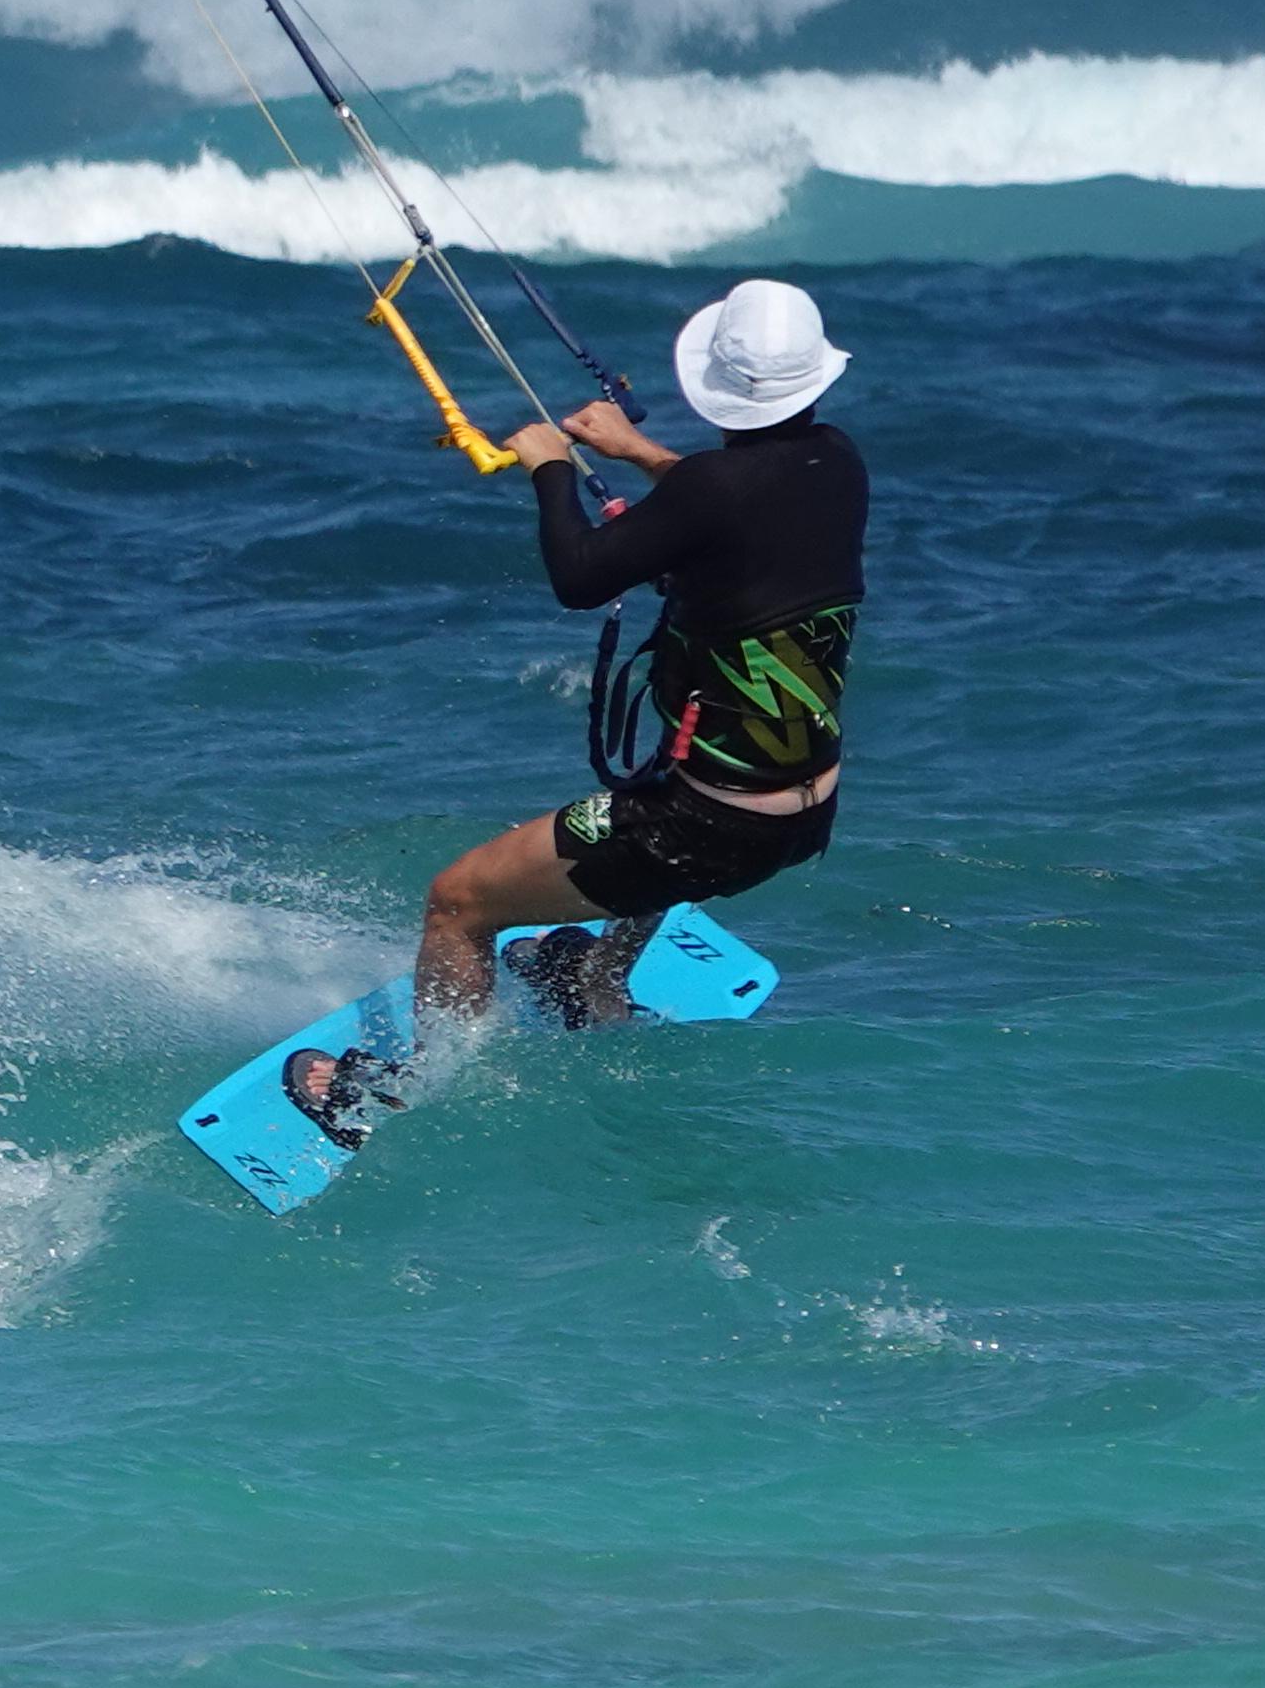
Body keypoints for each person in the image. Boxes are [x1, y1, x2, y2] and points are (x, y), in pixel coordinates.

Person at [289, 278, 868, 1140]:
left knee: (457, 902)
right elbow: (727, 503)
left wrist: (549, 467)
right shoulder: (837, 464)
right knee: (674, 786)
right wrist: (638, 451)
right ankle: (595, 982)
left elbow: (582, 577)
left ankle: (416, 1090)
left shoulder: (710, 491)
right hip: (804, 814)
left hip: (704, 827)